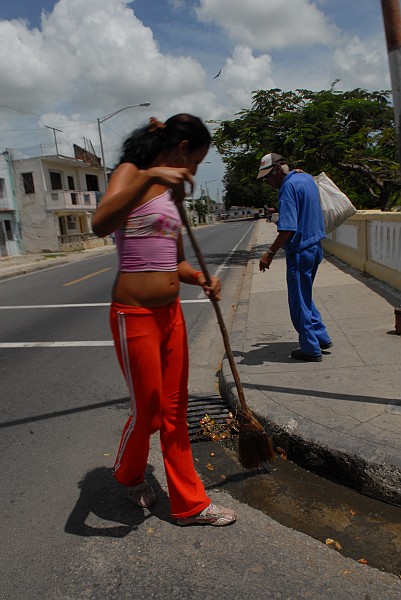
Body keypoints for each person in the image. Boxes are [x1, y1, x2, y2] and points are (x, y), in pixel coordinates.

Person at [92, 114, 236, 526]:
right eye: (197, 161)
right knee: (149, 412)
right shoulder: (130, 173)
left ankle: (190, 503)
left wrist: (200, 277)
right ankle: (128, 473)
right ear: (181, 149)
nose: (193, 171)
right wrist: (151, 174)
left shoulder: (174, 194)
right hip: (133, 316)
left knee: (175, 409)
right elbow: (101, 223)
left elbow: (175, 262)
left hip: (170, 316)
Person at [257, 152, 332, 362]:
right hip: (315, 246)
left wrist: (269, 254)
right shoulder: (306, 178)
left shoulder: (287, 188)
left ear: (279, 170)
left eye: (268, 177)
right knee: (305, 295)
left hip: (300, 251)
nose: (268, 182)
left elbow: (288, 228)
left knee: (298, 301)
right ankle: (321, 337)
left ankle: (310, 348)